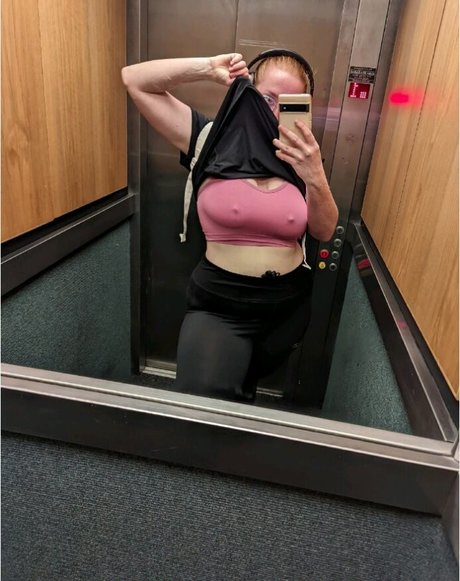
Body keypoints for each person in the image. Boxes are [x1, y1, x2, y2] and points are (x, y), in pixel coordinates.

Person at [121, 52, 338, 402]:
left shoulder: (303, 158)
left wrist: (314, 175)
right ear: (247, 92)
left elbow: (324, 231)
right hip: (221, 305)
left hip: (286, 309)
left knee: (243, 393)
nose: (274, 113)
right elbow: (135, 80)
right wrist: (207, 69)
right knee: (202, 405)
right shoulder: (210, 138)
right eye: (266, 98)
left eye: (289, 104)